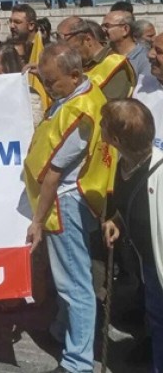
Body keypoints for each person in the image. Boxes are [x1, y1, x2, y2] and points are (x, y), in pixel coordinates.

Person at [24, 43, 114, 373]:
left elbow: (53, 174)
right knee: (70, 276)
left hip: (64, 203)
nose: (48, 87)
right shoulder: (85, 91)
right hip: (69, 198)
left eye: (51, 81)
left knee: (74, 285)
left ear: (74, 75)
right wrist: (39, 71)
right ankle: (62, 330)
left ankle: (77, 362)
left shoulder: (78, 114)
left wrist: (37, 221)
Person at [100, 99, 163, 373]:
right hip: (149, 264)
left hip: (159, 267)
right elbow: (133, 204)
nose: (99, 126)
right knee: (157, 321)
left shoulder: (160, 173)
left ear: (115, 139)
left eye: (103, 123)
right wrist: (118, 220)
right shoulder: (124, 163)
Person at [57, 16, 136, 100]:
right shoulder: (79, 65)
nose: (68, 56)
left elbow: (111, 105)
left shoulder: (114, 64)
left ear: (88, 40)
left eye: (72, 50)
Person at [103, 10, 151, 78]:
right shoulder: (105, 55)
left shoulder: (145, 59)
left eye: (107, 26)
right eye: (102, 26)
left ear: (125, 29)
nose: (103, 30)